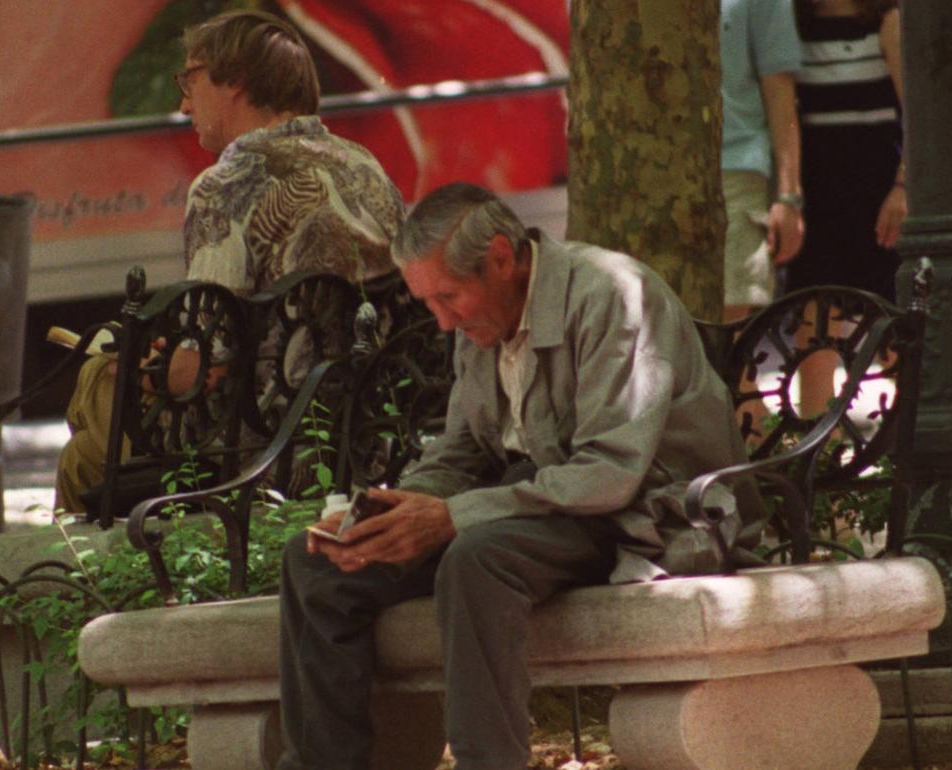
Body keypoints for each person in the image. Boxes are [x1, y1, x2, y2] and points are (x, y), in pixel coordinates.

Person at [277, 183, 763, 770]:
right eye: (429, 302)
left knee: (477, 558)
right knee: (316, 564)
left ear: (502, 259)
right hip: (538, 498)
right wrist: (394, 513)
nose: (442, 322)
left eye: (448, 297)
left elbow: (610, 474)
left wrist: (453, 517)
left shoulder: (610, 294)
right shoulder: (481, 322)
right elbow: (462, 454)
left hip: (643, 511)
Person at [55, 10, 405, 512]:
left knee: (95, 390)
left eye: (190, 81)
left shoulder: (225, 186)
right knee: (87, 452)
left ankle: (87, 555)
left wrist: (145, 368)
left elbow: (203, 369)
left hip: (263, 452)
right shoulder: (365, 167)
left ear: (235, 81)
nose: (183, 103)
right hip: (370, 439)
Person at [783, 0, 906, 416]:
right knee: (815, 333)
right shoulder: (792, 26)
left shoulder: (886, 22)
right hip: (819, 203)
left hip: (877, 204)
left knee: (891, 333)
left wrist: (903, 188)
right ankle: (821, 447)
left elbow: (919, 116)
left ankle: (914, 442)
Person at [717, 0, 806, 325]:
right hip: (642, 176)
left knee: (725, 336)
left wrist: (789, 196)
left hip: (736, 173)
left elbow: (781, 95)